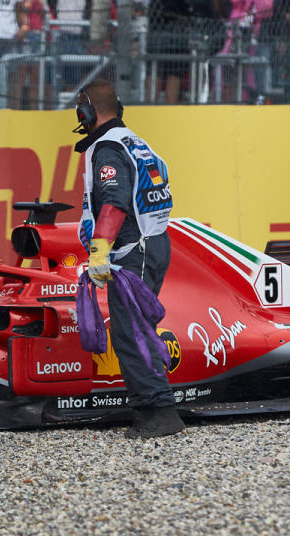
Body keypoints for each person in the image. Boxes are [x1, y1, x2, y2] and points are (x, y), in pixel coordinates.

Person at [73, 79, 184, 439]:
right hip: (153, 243)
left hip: (134, 249)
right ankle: (152, 408)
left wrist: (100, 249)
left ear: (87, 111)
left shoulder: (106, 149)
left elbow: (115, 201)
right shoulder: (134, 140)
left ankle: (159, 414)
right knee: (135, 329)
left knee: (131, 333)